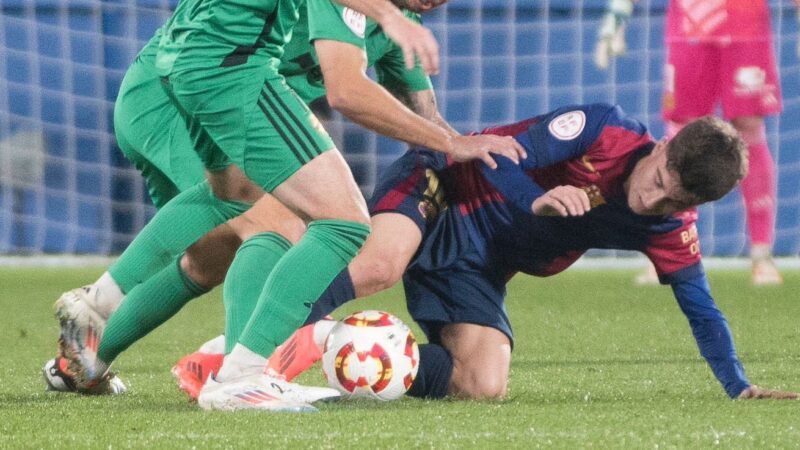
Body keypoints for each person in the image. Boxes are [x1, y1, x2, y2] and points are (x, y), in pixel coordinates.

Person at [49, 0, 525, 410]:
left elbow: (426, 115)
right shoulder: (359, 11)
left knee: (211, 250)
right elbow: (347, 91)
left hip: (196, 72)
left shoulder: (394, 21)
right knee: (275, 224)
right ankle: (242, 373)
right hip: (178, 91)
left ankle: (88, 351)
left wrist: (460, 144)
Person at [176, 103, 799, 401]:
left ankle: (338, 346)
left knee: (483, 385)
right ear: (661, 146)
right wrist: (538, 200)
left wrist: (737, 385)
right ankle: (237, 362)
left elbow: (701, 306)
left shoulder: (669, 226)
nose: (649, 202)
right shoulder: (602, 128)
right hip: (443, 185)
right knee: (379, 265)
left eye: (670, 202)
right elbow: (498, 155)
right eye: (657, 180)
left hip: (478, 262)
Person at [595, 0, 800, 285]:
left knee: (749, 127)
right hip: (691, 22)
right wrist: (617, 15)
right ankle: (666, 250)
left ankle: (761, 253)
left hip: (745, 21)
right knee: (681, 132)